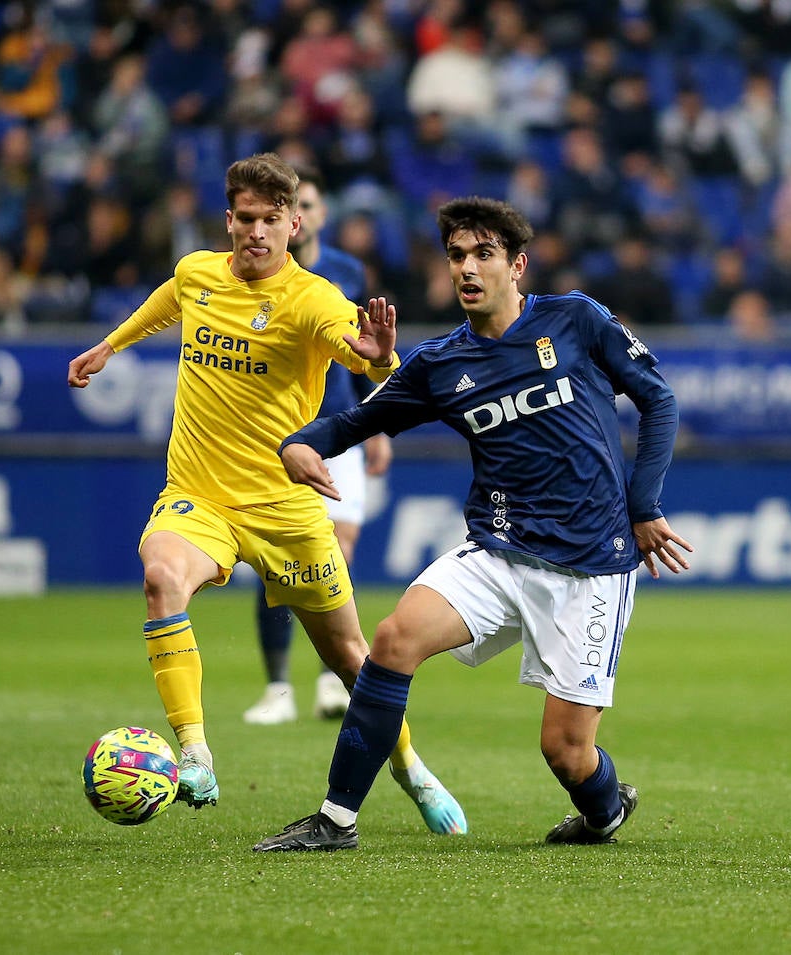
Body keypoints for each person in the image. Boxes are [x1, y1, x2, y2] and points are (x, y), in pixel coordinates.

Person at [253, 197, 692, 852]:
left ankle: (604, 811)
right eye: (457, 254)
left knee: (568, 754)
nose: (467, 267)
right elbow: (353, 422)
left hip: (592, 564)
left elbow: (658, 397)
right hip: (500, 548)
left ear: (516, 265)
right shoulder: (438, 364)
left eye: (484, 253)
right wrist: (300, 442)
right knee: (394, 638)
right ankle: (335, 818)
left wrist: (644, 504)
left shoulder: (576, 318)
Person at [66, 153, 465, 834]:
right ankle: (194, 753)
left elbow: (359, 350)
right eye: (245, 218)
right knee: (162, 575)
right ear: (229, 219)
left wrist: (377, 354)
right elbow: (171, 295)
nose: (256, 231)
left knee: (348, 657)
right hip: (201, 495)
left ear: (294, 222)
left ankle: (410, 768)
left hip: (286, 507)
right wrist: (112, 344)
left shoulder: (311, 298)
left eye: (270, 220)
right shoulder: (199, 273)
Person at [243, 165, 393, 726]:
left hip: (340, 428)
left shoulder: (347, 272)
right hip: (279, 437)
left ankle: (333, 677)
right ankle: (277, 688)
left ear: (315, 215)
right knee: (277, 566)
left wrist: (376, 425)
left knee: (339, 553)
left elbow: (361, 351)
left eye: (302, 202)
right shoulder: (252, 273)